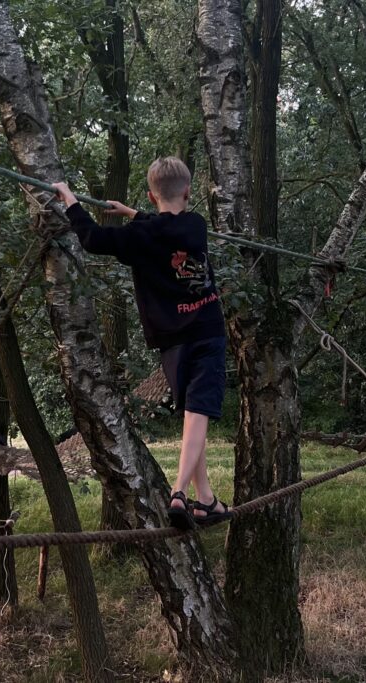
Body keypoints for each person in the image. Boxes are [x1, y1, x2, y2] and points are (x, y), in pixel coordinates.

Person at [52, 156, 231, 530]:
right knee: (197, 412)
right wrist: (134, 214)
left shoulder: (140, 237)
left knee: (193, 414)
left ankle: (205, 500)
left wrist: (71, 200)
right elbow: (168, 227)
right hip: (207, 330)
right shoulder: (196, 225)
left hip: (172, 340)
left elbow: (92, 238)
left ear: (151, 195)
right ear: (187, 191)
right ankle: (180, 492)